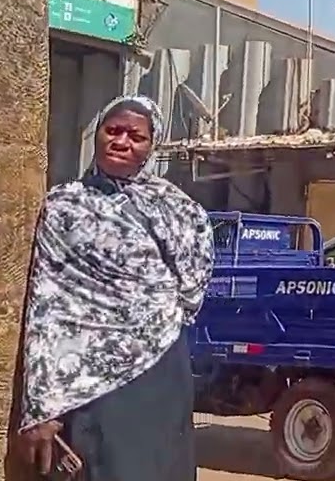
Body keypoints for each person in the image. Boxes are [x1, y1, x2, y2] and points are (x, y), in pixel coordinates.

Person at [15, 96, 214, 481]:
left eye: (135, 136)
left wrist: (149, 316)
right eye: (113, 130)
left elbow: (193, 286)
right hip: (91, 380)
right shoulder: (65, 207)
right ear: (98, 135)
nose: (121, 141)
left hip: (160, 369)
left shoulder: (179, 209)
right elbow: (48, 306)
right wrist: (42, 405)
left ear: (151, 146)